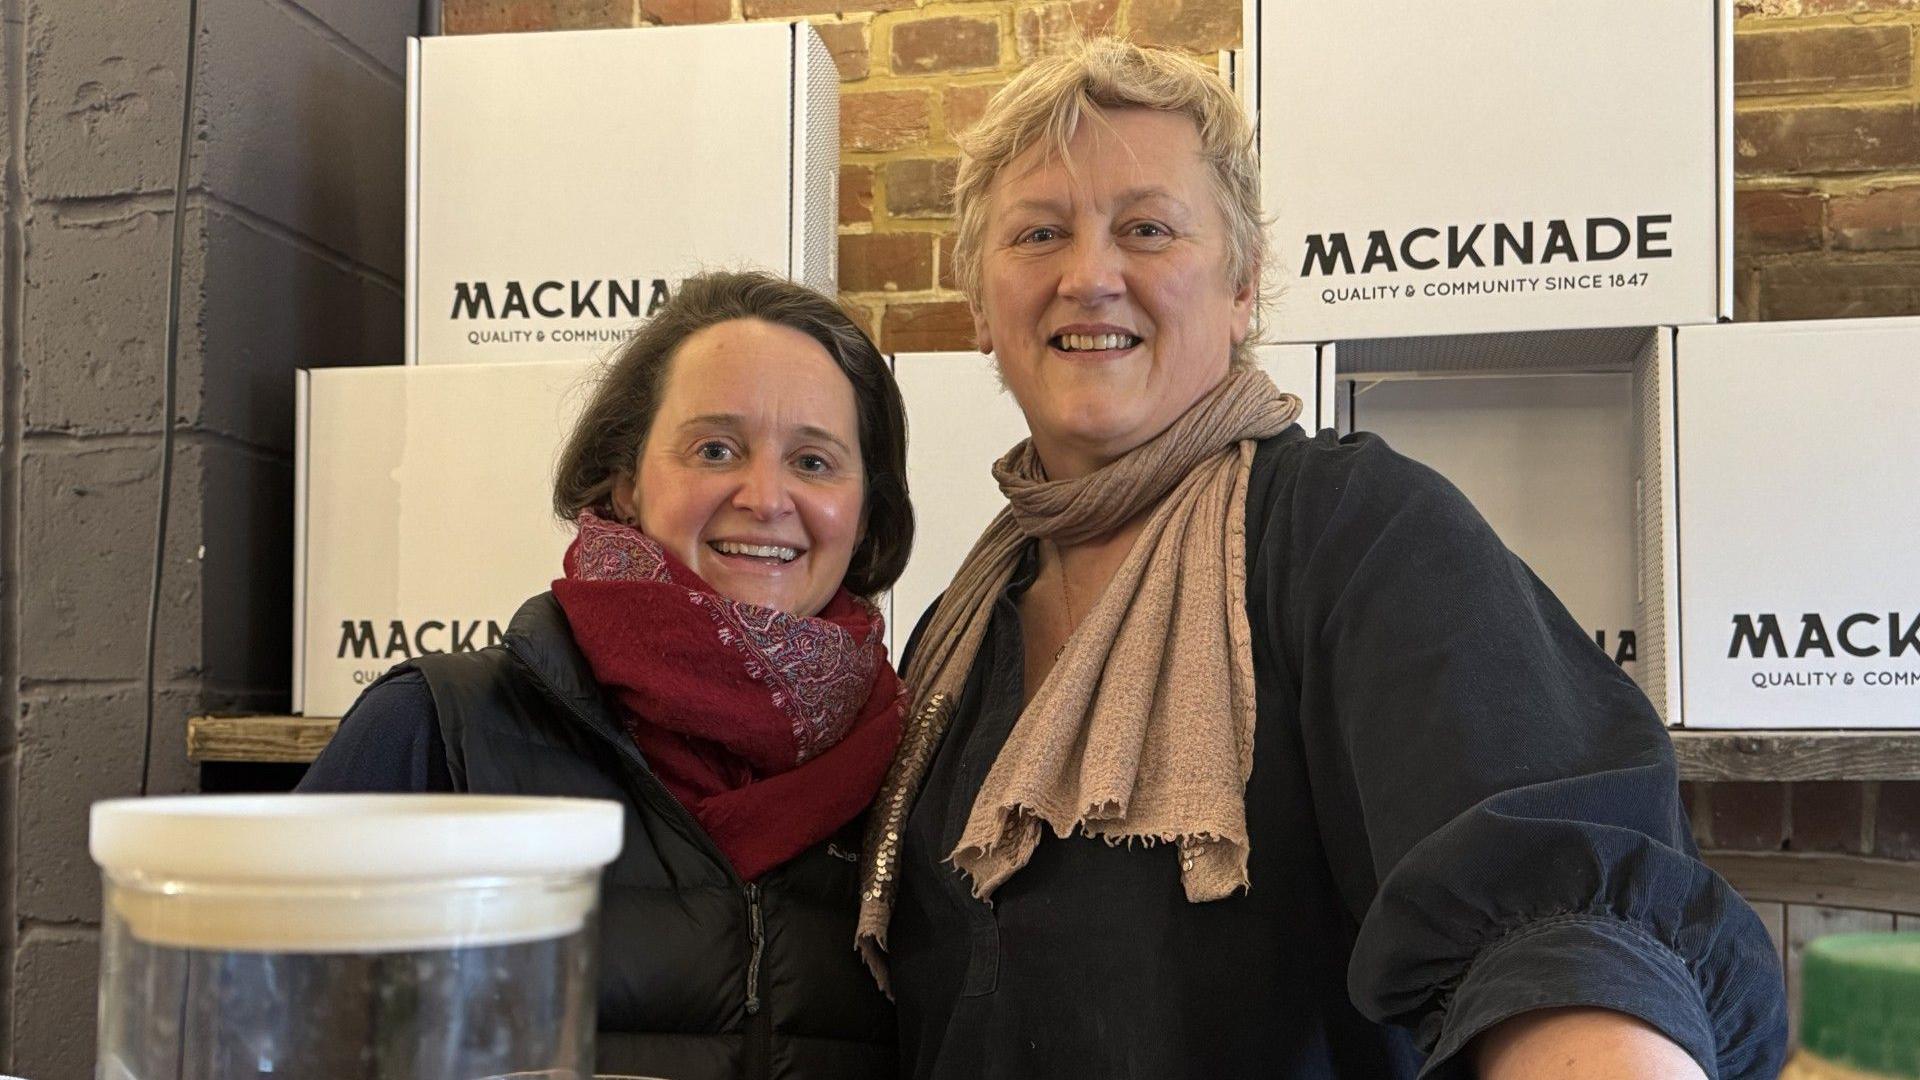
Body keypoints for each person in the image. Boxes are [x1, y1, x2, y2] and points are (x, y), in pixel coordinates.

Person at [856, 39, 1787, 1080]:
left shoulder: (1354, 530)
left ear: (1244, 285)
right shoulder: (957, 621)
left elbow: (1546, 885)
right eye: (1039, 234)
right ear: (981, 304)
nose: (1089, 276)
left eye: (1147, 229)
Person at [300, 271, 911, 1080]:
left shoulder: (912, 772)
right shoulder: (435, 733)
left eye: (814, 460)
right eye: (715, 449)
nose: (767, 497)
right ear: (625, 481)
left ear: (865, 508)